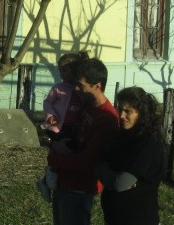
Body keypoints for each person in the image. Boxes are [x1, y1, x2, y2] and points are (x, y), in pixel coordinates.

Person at [46, 58, 119, 225]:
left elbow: (88, 162)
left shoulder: (106, 119)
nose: (76, 89)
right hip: (64, 180)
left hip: (79, 187)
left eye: (81, 85)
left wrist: (53, 159)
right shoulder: (86, 105)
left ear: (97, 86)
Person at [96, 87, 166, 225]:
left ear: (141, 113)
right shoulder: (121, 135)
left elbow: (121, 183)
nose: (121, 116)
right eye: (120, 110)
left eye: (128, 111)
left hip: (138, 218)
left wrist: (107, 173)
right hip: (114, 217)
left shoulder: (148, 142)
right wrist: (106, 171)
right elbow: (98, 165)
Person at [37, 51, 89, 202]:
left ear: (75, 70)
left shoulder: (81, 89)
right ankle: (49, 179)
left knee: (68, 152)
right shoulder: (58, 88)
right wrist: (50, 116)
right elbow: (48, 103)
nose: (61, 74)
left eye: (64, 71)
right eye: (59, 71)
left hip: (73, 129)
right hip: (56, 127)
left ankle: (47, 181)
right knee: (57, 151)